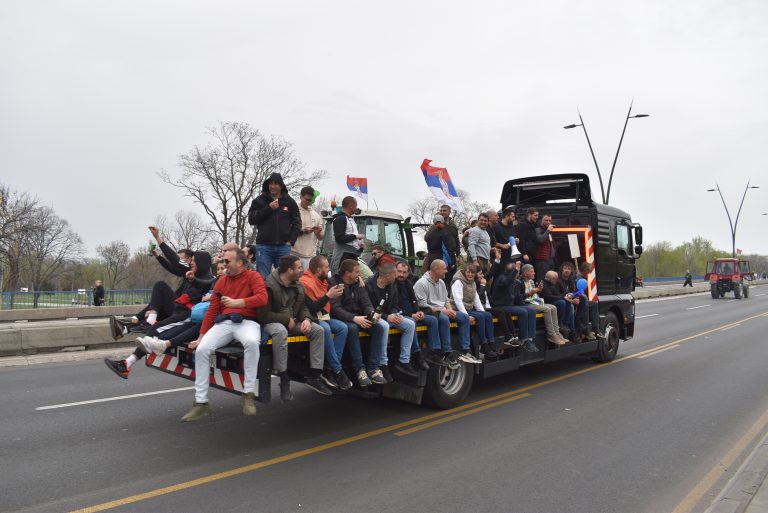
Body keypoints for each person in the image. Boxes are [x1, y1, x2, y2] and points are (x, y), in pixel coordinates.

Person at [181, 248, 268, 422]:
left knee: (252, 342)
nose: (224, 264)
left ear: (240, 263)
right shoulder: (221, 282)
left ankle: (248, 394)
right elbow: (212, 311)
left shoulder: (253, 276)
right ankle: (201, 402)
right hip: (225, 322)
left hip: (247, 322)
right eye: (224, 261)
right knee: (202, 349)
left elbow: (262, 298)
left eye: (227, 261)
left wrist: (238, 302)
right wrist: (201, 336)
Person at [104, 250, 214, 379]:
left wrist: (159, 240)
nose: (191, 263)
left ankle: (127, 362)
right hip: (178, 309)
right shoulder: (190, 275)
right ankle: (133, 328)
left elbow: (196, 279)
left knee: (154, 330)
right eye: (191, 260)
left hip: (185, 315)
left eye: (194, 261)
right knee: (160, 289)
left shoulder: (208, 280)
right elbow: (171, 268)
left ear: (202, 263)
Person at [257, 255, 331, 400]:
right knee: (280, 331)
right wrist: (285, 320)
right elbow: (263, 315)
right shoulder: (268, 285)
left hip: (293, 320)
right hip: (272, 322)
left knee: (318, 330)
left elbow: (303, 306)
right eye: (298, 268)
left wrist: (307, 320)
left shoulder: (298, 285)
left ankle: (315, 376)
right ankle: (284, 378)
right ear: (289, 270)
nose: (302, 270)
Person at [138, 260, 228, 355]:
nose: (220, 271)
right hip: (203, 314)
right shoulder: (215, 280)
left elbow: (229, 297)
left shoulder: (229, 281)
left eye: (223, 268)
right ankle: (158, 342)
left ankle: (163, 343)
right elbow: (203, 283)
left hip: (216, 317)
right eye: (218, 269)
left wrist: (212, 296)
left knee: (196, 326)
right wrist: (193, 279)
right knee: (187, 325)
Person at [328, 259, 390, 386]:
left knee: (379, 328)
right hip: (343, 318)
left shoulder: (358, 284)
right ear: (347, 273)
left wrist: (371, 313)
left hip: (358, 316)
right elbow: (335, 309)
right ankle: (359, 369)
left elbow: (365, 302)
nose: (359, 274)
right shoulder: (334, 283)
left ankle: (373, 368)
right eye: (356, 272)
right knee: (352, 328)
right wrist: (354, 319)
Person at [413, 259, 482, 366]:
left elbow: (446, 300)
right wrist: (443, 310)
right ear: (436, 269)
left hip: (442, 310)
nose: (446, 271)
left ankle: (465, 351)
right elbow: (422, 305)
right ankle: (447, 352)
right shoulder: (421, 283)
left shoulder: (441, 282)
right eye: (444, 268)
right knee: (444, 318)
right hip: (429, 312)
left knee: (464, 317)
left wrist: (450, 309)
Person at [299, 255, 352, 391]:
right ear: (318, 270)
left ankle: (329, 368)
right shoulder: (306, 282)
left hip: (323, 316)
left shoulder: (322, 279)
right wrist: (329, 296)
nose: (329, 270)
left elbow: (337, 278)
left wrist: (359, 280)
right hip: (311, 317)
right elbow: (311, 308)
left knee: (342, 328)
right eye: (327, 267)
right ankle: (337, 370)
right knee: (326, 329)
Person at [365, 264, 419, 377]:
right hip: (373, 317)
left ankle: (404, 361)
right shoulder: (369, 286)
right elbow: (368, 308)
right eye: (395, 274)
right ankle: (383, 363)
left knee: (410, 324)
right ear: (388, 275)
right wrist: (386, 316)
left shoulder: (392, 286)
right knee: (384, 326)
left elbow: (395, 305)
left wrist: (395, 313)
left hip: (389, 316)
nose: (397, 277)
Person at [247, 172, 302, 278]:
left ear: (281, 186)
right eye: (271, 183)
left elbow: (297, 222)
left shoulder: (289, 201)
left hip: (283, 247)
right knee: (263, 279)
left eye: (276, 184)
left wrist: (291, 241)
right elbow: (251, 219)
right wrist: (268, 208)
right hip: (264, 246)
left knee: (284, 278)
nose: (272, 186)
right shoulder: (259, 201)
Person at [394, 262, 440, 369]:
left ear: (408, 273)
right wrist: (411, 314)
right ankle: (417, 354)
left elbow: (414, 301)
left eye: (404, 272)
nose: (401, 275)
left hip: (413, 313)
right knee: (412, 322)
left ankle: (433, 352)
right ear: (395, 271)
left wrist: (418, 311)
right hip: (402, 315)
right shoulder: (393, 285)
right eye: (399, 271)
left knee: (433, 320)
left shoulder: (408, 284)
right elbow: (395, 305)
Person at [489, 258, 539, 353]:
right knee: (523, 312)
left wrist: (525, 304)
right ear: (512, 272)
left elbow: (517, 298)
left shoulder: (516, 282)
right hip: (501, 306)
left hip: (511, 305)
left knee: (531, 310)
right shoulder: (502, 278)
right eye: (516, 271)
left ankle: (530, 339)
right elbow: (506, 282)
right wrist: (516, 269)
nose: (518, 273)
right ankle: (524, 339)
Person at [450, 264, 498, 360]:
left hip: (468, 309)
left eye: (472, 273)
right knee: (480, 317)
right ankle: (484, 345)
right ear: (464, 272)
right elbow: (458, 300)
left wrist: (482, 312)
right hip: (458, 309)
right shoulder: (458, 282)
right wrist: (466, 315)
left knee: (487, 315)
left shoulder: (473, 283)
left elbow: (476, 300)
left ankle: (491, 343)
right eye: (468, 272)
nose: (470, 274)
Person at [519, 264, 568, 346]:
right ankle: (551, 334)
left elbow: (535, 296)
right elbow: (520, 297)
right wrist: (532, 292)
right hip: (526, 304)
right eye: (532, 272)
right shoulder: (520, 282)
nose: (534, 273)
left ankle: (556, 332)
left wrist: (538, 291)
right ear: (525, 273)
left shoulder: (531, 281)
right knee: (547, 309)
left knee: (553, 307)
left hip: (534, 302)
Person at [330, 196, 365, 274]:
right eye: (356, 206)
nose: (356, 208)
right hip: (341, 257)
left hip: (351, 256)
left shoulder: (351, 220)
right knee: (341, 282)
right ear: (351, 206)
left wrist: (360, 248)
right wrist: (356, 236)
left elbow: (351, 243)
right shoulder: (340, 219)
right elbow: (339, 238)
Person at [292, 186, 324, 269]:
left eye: (311, 200)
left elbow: (321, 237)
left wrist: (318, 233)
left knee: (307, 281)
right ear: (301, 197)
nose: (309, 202)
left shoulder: (316, 215)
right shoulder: (293, 211)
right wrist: (302, 231)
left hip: (310, 257)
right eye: (307, 199)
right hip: (294, 254)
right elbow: (287, 231)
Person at [541, 270, 574, 341]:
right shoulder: (543, 283)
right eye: (555, 279)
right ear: (551, 278)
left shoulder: (552, 283)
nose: (556, 280)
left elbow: (558, 294)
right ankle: (560, 322)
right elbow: (548, 297)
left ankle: (565, 324)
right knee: (562, 302)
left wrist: (567, 296)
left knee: (568, 302)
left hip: (553, 301)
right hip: (546, 302)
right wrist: (563, 297)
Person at [575, 262, 604, 341]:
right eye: (589, 270)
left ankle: (595, 329)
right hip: (576, 299)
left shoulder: (582, 277)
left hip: (581, 298)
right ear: (586, 270)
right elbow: (577, 291)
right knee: (586, 303)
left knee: (594, 304)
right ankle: (585, 329)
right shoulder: (578, 278)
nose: (590, 272)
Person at [534, 214, 556, 280]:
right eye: (546, 220)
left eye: (550, 220)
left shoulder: (548, 232)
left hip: (550, 259)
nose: (548, 222)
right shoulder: (538, 230)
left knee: (551, 279)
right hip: (541, 260)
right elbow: (540, 240)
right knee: (542, 279)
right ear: (542, 221)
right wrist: (548, 231)